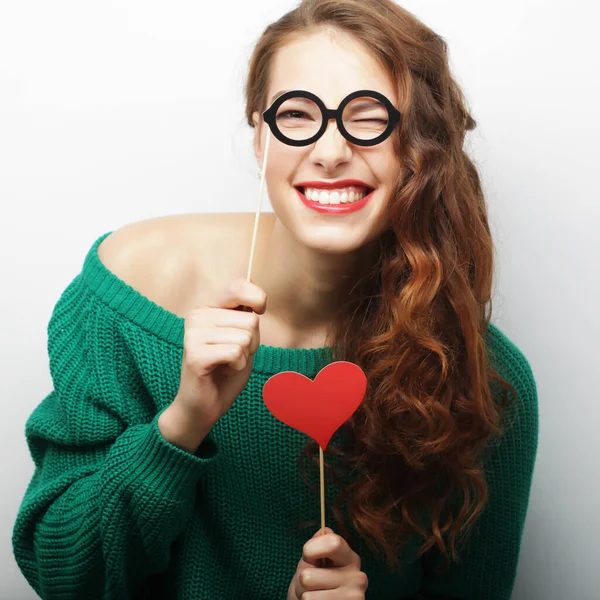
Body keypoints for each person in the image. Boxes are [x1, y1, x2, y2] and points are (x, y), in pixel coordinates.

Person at [12, 0, 538, 598]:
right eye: (297, 115)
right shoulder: (124, 298)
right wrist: (184, 421)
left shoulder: (488, 382)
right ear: (260, 134)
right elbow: (60, 575)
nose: (332, 150)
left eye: (369, 118)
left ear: (422, 144)